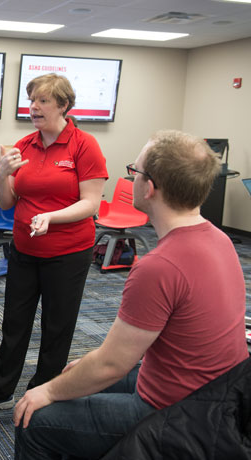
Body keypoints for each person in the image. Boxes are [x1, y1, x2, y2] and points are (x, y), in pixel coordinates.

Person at [13, 130, 248, 459]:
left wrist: (46, 391)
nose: (130, 177)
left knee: (33, 417)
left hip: (182, 409)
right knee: (75, 375)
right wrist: (88, 370)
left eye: (133, 171)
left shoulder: (159, 266)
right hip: (218, 390)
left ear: (149, 188)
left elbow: (111, 365)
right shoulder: (219, 239)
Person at [0, 73, 108, 414]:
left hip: (69, 252)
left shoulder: (83, 145)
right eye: (32, 101)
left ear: (63, 106)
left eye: (43, 101)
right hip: (26, 250)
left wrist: (52, 217)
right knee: (15, 322)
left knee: (57, 327)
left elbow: (91, 203)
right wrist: (2, 172)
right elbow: (7, 200)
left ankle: (43, 392)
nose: (35, 107)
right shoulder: (24, 146)